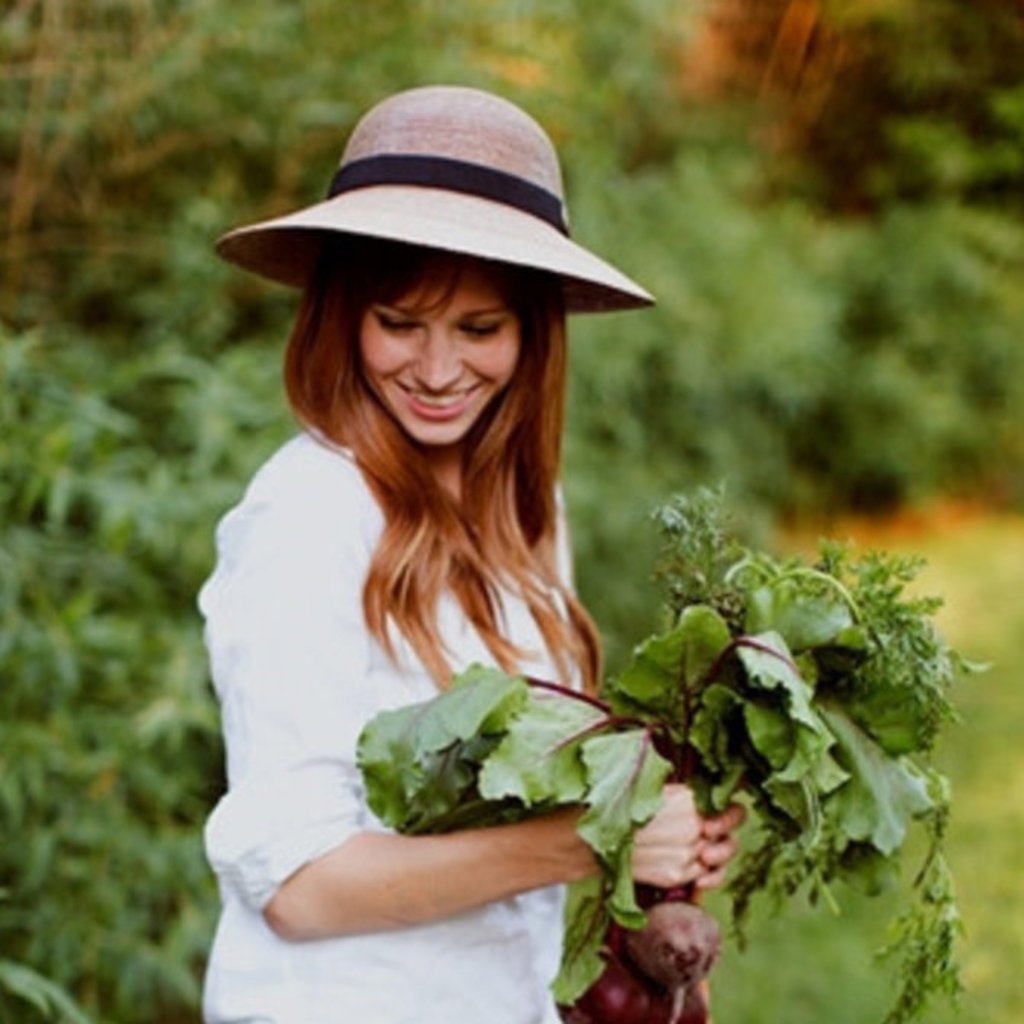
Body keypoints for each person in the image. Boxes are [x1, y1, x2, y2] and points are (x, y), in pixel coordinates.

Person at [199, 84, 744, 1024]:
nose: (440, 372)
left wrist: (663, 841)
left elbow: (524, 813)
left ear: (534, 334)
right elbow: (300, 886)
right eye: (399, 322)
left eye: (479, 329)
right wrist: (597, 835)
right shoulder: (309, 512)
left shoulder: (527, 511)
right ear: (342, 317)